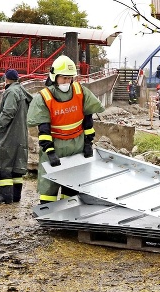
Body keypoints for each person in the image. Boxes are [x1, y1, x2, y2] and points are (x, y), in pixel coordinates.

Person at [27, 55, 104, 204]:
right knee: (49, 187)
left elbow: (88, 120)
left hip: (77, 146)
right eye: (64, 78)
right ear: (55, 77)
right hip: (55, 146)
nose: (67, 82)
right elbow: (43, 129)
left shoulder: (80, 92)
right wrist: (49, 152)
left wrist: (88, 143)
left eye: (70, 78)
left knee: (72, 185)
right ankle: (48, 217)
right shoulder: (44, 97)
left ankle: (67, 217)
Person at [0, 69, 32, 204]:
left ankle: (5, 195)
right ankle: (15, 195)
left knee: (4, 162)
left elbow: (8, 112)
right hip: (20, 133)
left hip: (10, 134)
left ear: (7, 79)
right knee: (17, 165)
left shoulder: (12, 92)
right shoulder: (22, 91)